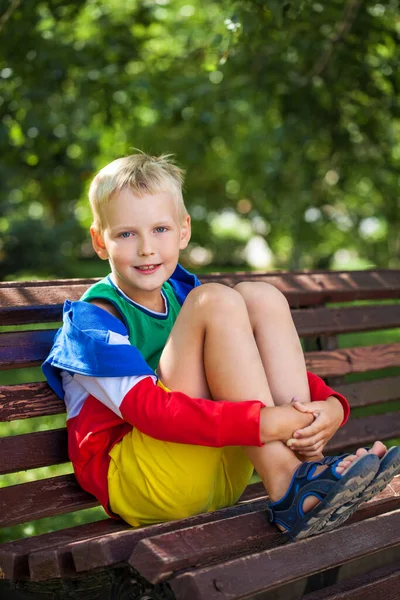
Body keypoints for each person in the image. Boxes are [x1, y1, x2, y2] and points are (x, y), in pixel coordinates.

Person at [43, 153, 400, 541]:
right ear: (100, 240)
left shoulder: (184, 297)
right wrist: (265, 422)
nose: (146, 248)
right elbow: (151, 413)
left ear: (183, 230)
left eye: (160, 229)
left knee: (258, 296)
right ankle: (289, 483)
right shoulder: (92, 322)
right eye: (127, 234)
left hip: (221, 468)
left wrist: (330, 406)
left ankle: (309, 469)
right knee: (216, 300)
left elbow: (251, 361)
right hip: (147, 483)